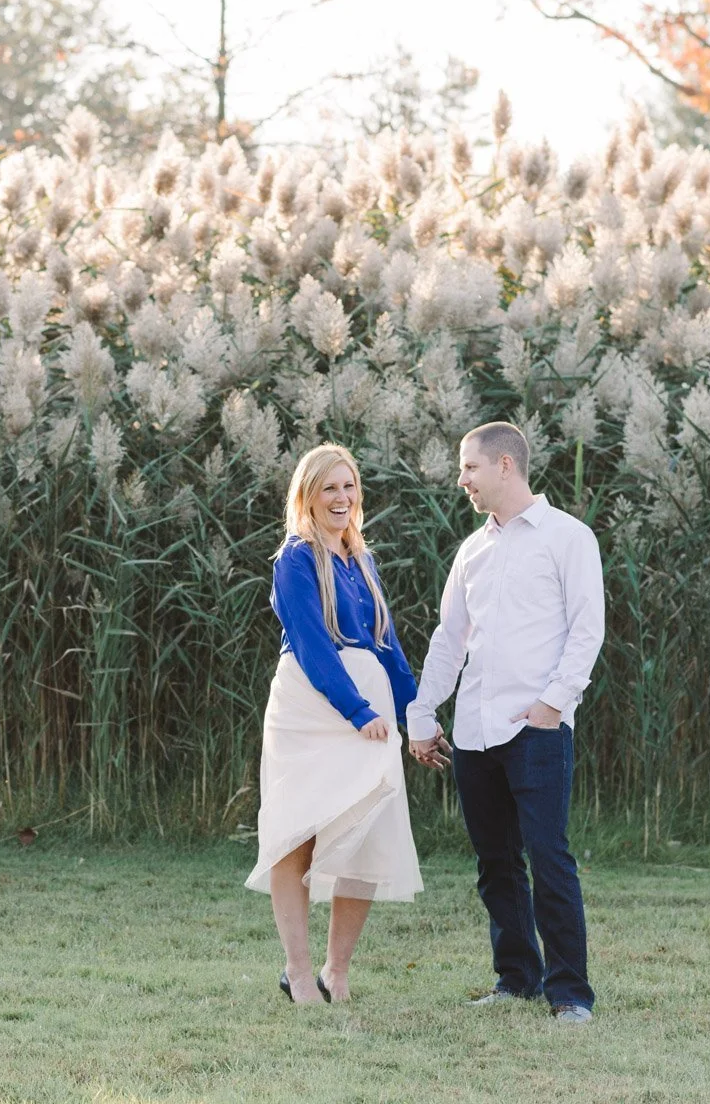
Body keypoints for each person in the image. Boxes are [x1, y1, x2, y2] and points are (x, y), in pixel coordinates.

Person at [407, 421, 604, 1024]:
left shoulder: (568, 538)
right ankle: (515, 979)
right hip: (474, 732)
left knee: (549, 859)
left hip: (536, 729)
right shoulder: (472, 550)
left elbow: (586, 629)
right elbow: (449, 639)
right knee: (495, 864)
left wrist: (553, 704)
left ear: (504, 466)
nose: (461, 479)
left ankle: (570, 994)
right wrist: (422, 713)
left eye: (468, 467)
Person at [245, 443, 438, 1005]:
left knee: (366, 837)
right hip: (313, 711)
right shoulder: (296, 559)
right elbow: (310, 644)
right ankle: (299, 974)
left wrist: (415, 715)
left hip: (372, 714)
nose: (341, 497)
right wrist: (357, 711)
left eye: (349, 486)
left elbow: (389, 646)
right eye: (329, 487)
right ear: (307, 495)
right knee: (296, 835)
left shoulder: (363, 560)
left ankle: (337, 971)